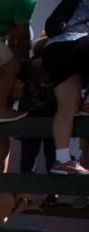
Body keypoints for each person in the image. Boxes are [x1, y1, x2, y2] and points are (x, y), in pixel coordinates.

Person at [42, 0, 89, 175]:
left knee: (66, 108)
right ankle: (87, 103)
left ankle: (62, 160)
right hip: (79, 43)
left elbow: (51, 24)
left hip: (54, 49)